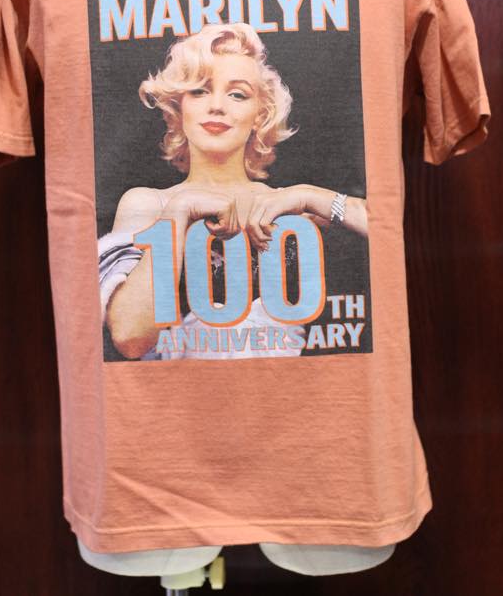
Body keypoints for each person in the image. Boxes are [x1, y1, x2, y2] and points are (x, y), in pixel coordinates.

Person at [97, 22, 368, 361]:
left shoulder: (288, 203)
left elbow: (390, 234)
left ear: (260, 114)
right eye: (199, 91)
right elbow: (130, 338)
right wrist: (179, 211)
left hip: (287, 391)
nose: (217, 106)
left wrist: (311, 196)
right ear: (179, 106)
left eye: (237, 94)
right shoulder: (151, 204)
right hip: (185, 393)